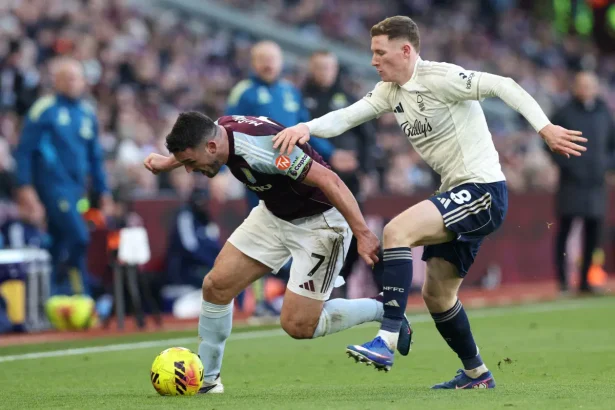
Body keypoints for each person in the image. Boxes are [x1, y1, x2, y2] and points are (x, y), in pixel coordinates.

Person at [272, 16, 586, 388]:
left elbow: (503, 84)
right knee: (438, 295)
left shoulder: (440, 77)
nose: (373, 60)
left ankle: (386, 339)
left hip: (482, 189)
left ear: (406, 50)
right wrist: (306, 128)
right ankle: (476, 373)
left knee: (396, 231)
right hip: (456, 192)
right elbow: (347, 116)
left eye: (380, 52)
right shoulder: (389, 92)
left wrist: (545, 128)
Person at [143, 112, 412, 393]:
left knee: (298, 325)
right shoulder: (216, 132)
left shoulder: (264, 148)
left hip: (320, 223)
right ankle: (208, 381)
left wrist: (363, 233)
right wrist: (168, 163)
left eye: (189, 163)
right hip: (274, 214)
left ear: (211, 148)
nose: (189, 170)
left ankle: (384, 308)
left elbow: (330, 180)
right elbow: (199, 143)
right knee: (216, 286)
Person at [225, 40, 357, 314]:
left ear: (281, 62)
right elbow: (226, 134)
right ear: (253, 62)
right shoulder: (244, 92)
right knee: (260, 239)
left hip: (294, 176)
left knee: (299, 234)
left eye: (272, 58)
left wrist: (332, 155)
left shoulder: (289, 92)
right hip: (260, 178)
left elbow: (305, 131)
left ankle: (295, 295)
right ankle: (259, 300)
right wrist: (220, 172)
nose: (268, 64)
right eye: (262, 58)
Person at [14, 57, 112, 297]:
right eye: (67, 78)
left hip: (77, 189)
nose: (72, 83)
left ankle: (53, 297)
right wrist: (25, 188)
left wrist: (103, 191)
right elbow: (24, 151)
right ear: (56, 81)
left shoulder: (87, 113)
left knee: (58, 243)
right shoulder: (43, 110)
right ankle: (70, 285)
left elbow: (95, 157)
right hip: (52, 187)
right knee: (79, 237)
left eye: (76, 78)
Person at [303, 49, 381, 294]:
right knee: (318, 232)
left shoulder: (349, 99)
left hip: (348, 180)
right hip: (312, 179)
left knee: (356, 231)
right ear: (311, 69)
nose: (325, 72)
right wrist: (331, 156)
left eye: (329, 67)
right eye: (320, 67)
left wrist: (367, 170)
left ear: (336, 69)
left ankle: (342, 281)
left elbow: (368, 137)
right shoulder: (300, 100)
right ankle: (319, 286)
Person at [547, 71, 615, 295]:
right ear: (574, 87)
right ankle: (563, 281)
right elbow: (548, 143)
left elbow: (612, 145)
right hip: (571, 182)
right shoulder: (564, 113)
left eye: (590, 85)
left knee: (593, 232)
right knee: (565, 229)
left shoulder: (604, 113)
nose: (586, 89)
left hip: (596, 183)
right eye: (582, 85)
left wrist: (606, 166)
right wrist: (568, 166)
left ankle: (586, 280)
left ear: (596, 88)